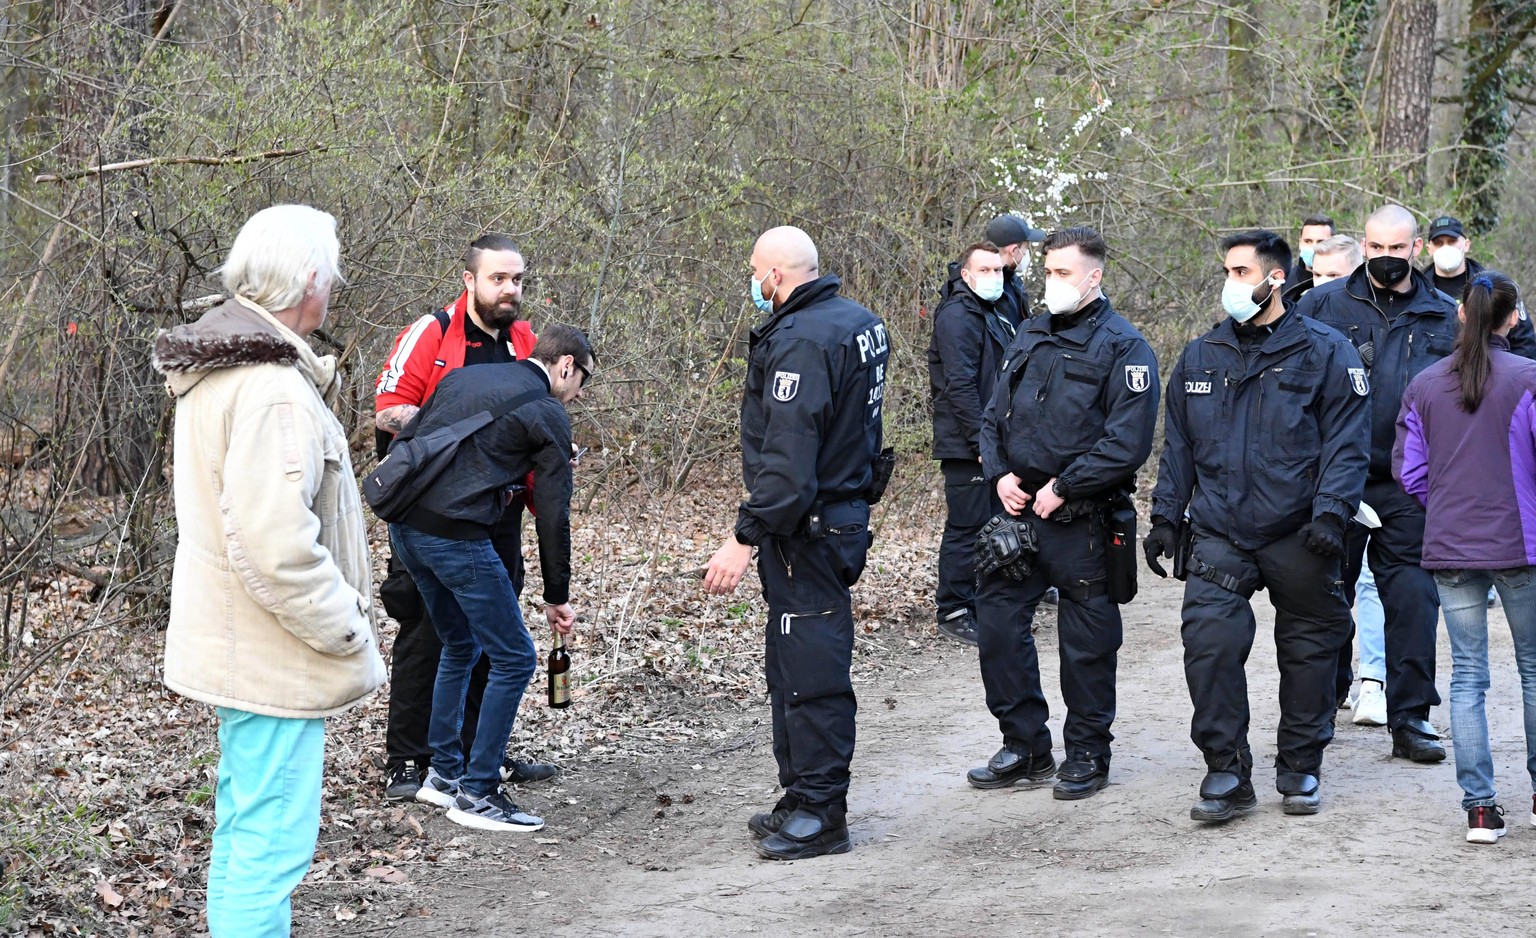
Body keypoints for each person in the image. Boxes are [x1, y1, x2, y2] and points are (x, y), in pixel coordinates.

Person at [152, 204, 387, 936]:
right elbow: (277, 548)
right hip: (273, 656)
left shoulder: (230, 369)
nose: (335, 289)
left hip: (246, 647)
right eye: (333, 274)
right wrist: (346, 627)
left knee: (249, 834)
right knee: (269, 847)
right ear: (309, 277)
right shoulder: (272, 387)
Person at [1148, 229, 1368, 822]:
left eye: (1241, 272)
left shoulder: (1325, 351)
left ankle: (1299, 764)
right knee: (1209, 646)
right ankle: (1225, 770)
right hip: (1220, 532)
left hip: (1300, 531)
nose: (1230, 283)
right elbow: (1180, 448)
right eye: (1226, 271)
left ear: (1275, 278)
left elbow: (1347, 446)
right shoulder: (1201, 354)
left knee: (1311, 649)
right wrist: (1166, 515)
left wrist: (1332, 514)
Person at [703, 225, 888, 861]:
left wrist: (743, 537)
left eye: (756, 271)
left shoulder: (804, 341)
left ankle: (821, 810)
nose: (753, 282)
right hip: (833, 516)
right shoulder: (857, 322)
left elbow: (789, 459)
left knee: (811, 670)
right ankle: (799, 792)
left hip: (806, 527)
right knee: (789, 663)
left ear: (776, 276)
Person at [966, 226, 1159, 800]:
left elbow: (1128, 442)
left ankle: (1087, 754)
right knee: (997, 628)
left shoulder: (1126, 347)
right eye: (1047, 272)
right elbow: (991, 415)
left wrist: (1066, 487)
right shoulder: (1030, 332)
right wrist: (999, 474)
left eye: (1062, 274)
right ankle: (1025, 746)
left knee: (1087, 644)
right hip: (1016, 510)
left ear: (1093, 277)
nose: (1050, 282)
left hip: (1082, 520)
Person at [386, 325, 593, 832]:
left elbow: (416, 435)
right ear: (565, 365)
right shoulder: (548, 412)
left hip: (404, 529)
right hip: (455, 537)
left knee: (461, 644)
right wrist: (556, 595)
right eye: (582, 380)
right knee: (516, 656)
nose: (580, 394)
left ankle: (443, 775)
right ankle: (478, 793)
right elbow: (551, 512)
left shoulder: (466, 377)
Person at [372, 234, 555, 803]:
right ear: (471, 280)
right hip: (429, 509)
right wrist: (455, 421)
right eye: (498, 279)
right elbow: (386, 411)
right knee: (428, 630)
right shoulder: (433, 331)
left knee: (490, 635)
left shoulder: (524, 341)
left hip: (495, 513)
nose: (510, 290)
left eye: (518, 280)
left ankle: (482, 752)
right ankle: (408, 759)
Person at [1293, 204, 1453, 763]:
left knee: (1412, 598)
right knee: (1320, 594)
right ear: (1364, 246)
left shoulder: (1445, 315)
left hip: (1408, 483)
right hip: (1332, 479)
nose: (1387, 258)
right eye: (1377, 248)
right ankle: (1318, 711)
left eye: (1398, 248)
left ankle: (1411, 719)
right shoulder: (1320, 306)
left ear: (1416, 248)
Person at [1395, 270, 1536, 845]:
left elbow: (1410, 472)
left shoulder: (1424, 384)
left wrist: (1449, 505)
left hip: (1450, 545)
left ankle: (1479, 808)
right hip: (1520, 545)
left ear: (1460, 315)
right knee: (1533, 671)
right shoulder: (1529, 378)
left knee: (1468, 676)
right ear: (1513, 319)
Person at [1307, 234, 1388, 725]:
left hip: (1380, 477)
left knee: (1376, 585)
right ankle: (1337, 682)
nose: (1323, 287)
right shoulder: (1299, 325)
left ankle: (1374, 681)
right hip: (1320, 481)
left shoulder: (1373, 327)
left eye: (1334, 277)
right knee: (1331, 587)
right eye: (1317, 275)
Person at [927, 240, 1021, 645]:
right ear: (965, 275)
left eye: (998, 270)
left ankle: (983, 603)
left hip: (995, 440)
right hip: (966, 443)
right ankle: (953, 608)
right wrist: (980, 443)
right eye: (984, 270)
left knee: (992, 522)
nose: (993, 277)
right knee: (965, 527)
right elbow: (960, 386)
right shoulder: (957, 316)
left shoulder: (996, 311)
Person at [1422, 214, 1536, 358]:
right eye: (1438, 243)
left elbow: (1524, 342)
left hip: (1486, 372)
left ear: (1466, 245)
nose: (1446, 247)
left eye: (1452, 241)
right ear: (1429, 249)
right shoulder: (1418, 290)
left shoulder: (1495, 287)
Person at [985, 213, 1048, 326]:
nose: (1025, 254)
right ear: (1014, 250)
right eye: (1025, 249)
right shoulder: (988, 290)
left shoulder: (1011, 280)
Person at [1282, 213, 1336, 305]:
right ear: (1300, 243)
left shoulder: (1343, 281)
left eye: (1321, 242)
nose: (1313, 247)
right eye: (1307, 241)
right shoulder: (1284, 281)